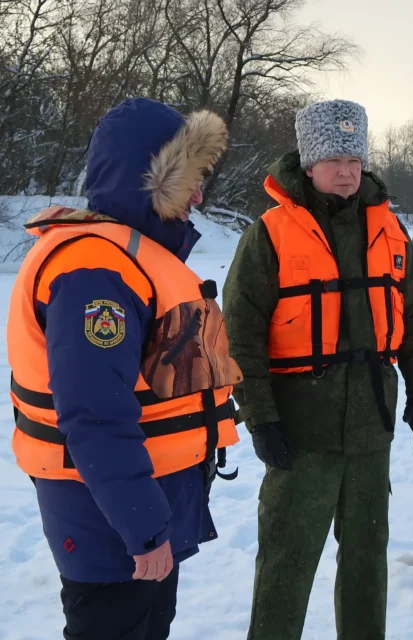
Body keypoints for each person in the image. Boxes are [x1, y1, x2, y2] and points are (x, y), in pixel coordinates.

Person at [7, 97, 242, 639]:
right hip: (109, 518)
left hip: (139, 503)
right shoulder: (95, 271)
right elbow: (94, 415)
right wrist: (142, 527)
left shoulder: (130, 255)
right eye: (189, 179)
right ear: (150, 180)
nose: (198, 196)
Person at [221, 99, 413, 639]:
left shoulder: (390, 231)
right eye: (333, 160)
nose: (346, 172)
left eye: (354, 160)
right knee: (286, 563)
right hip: (300, 431)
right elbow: (241, 337)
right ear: (309, 163)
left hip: (371, 429)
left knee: (367, 559)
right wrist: (261, 419)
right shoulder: (270, 234)